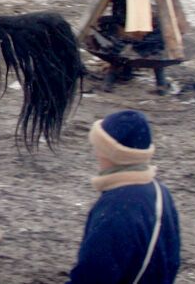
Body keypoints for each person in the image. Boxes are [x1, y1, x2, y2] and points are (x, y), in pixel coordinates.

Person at [67, 110, 181, 284]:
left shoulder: (116, 208)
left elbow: (93, 275)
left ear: (112, 154)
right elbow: (172, 260)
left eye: (99, 146)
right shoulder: (160, 191)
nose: (96, 152)